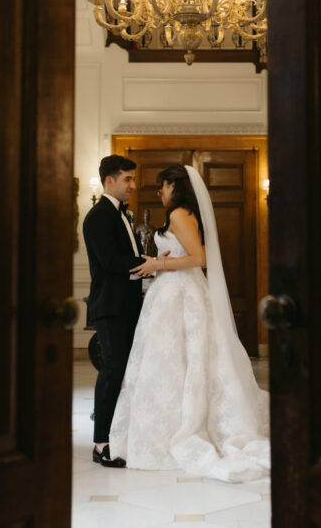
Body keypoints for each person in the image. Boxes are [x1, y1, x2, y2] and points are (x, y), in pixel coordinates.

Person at [111, 164, 270, 482]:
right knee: (179, 359)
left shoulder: (180, 214)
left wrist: (159, 263)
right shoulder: (188, 214)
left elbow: (200, 258)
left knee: (176, 360)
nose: (161, 192)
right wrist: (164, 264)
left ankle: (175, 428)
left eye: (163, 186)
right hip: (179, 290)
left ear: (175, 186)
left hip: (180, 293)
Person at [82, 154, 165, 468]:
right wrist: (153, 266)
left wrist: (148, 263)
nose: (133, 185)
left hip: (127, 304)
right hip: (111, 306)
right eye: (127, 179)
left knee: (126, 371)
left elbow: (124, 258)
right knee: (112, 371)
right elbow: (110, 262)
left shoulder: (121, 216)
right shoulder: (99, 216)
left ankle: (120, 432)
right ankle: (101, 442)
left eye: (133, 178)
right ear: (109, 181)